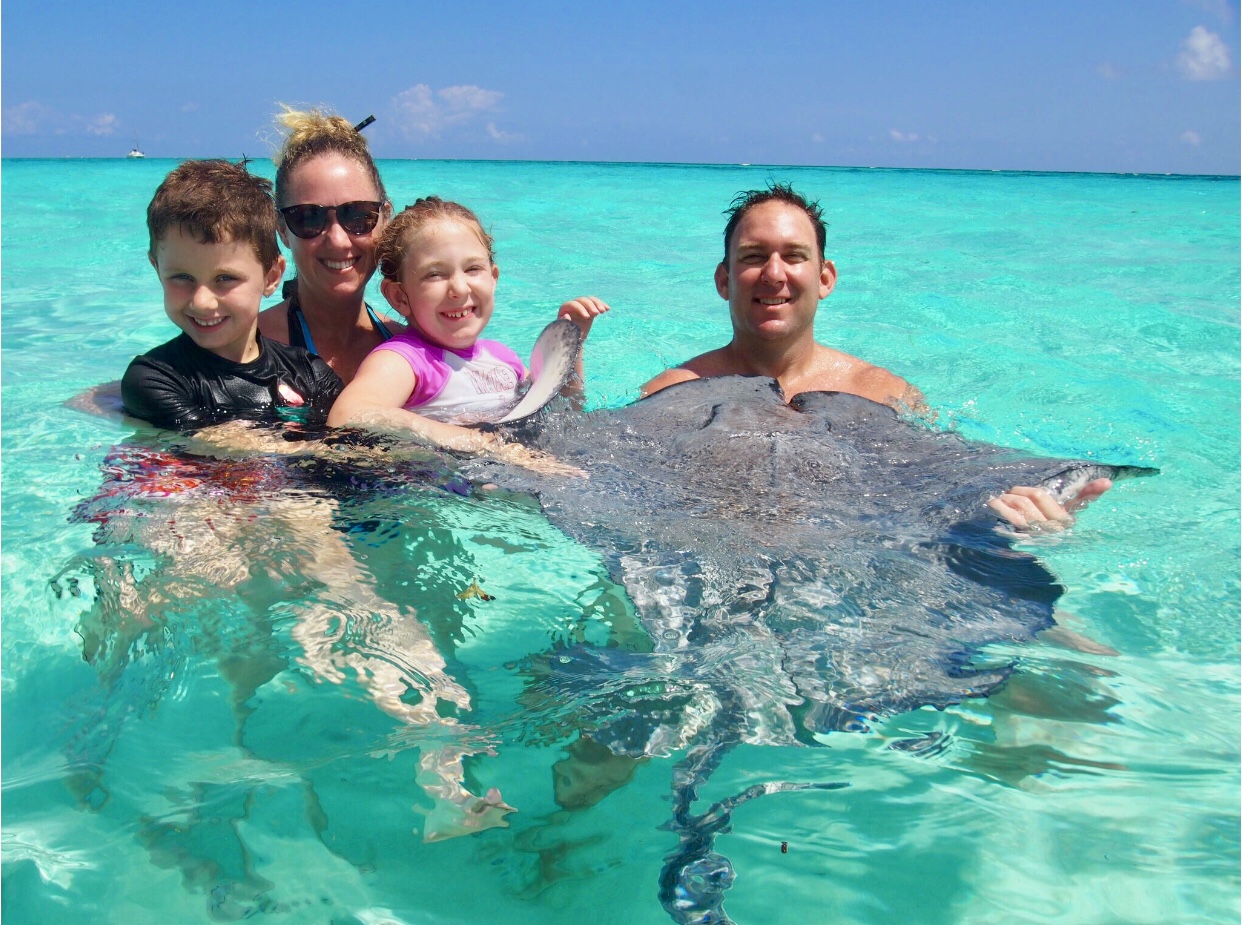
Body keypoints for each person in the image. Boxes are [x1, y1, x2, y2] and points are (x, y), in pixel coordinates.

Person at [640, 183, 1109, 529]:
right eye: (753, 256)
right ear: (724, 280)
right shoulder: (669, 391)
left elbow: (945, 479)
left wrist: (1018, 516)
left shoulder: (882, 391)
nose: (774, 274)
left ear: (825, 278)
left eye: (794, 256)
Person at [328, 196, 609, 455]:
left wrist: (573, 345)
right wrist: (481, 443)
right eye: (435, 274)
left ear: (493, 278)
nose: (460, 289)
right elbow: (348, 414)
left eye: (473, 269)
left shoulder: (503, 358)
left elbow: (566, 410)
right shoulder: (406, 360)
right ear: (400, 297)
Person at [121, 159, 343, 431]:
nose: (202, 302)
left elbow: (352, 434)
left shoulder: (309, 372)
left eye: (225, 278)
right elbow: (221, 444)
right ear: (157, 268)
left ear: (271, 277)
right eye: (182, 277)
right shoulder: (154, 379)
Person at [257, 106, 402, 384]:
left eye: (358, 215)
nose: (337, 239)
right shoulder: (244, 350)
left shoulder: (412, 350)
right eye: (308, 217)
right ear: (282, 230)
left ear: (385, 218)